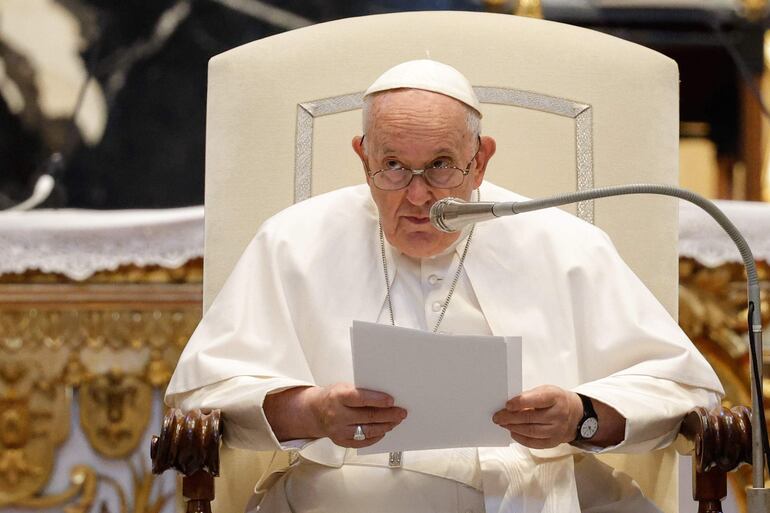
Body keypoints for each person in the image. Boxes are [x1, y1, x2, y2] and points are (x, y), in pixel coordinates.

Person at [166, 60, 723, 513]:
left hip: (533, 494)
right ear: (362, 157)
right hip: (344, 498)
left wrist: (581, 415)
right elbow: (201, 396)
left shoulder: (563, 243)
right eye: (392, 166)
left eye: (439, 166)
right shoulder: (292, 241)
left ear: (479, 160)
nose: (416, 196)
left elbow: (685, 390)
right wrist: (311, 411)